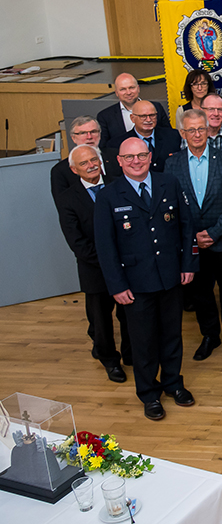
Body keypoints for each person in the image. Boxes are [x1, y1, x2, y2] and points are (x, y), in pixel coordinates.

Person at [94, 137, 197, 420]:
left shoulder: (169, 184)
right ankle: (149, 394)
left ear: (150, 156)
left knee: (172, 335)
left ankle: (174, 383)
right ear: (119, 161)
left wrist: (189, 263)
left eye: (140, 156)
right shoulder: (108, 196)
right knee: (144, 341)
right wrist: (116, 285)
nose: (135, 162)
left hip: (170, 276)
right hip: (135, 283)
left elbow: (187, 227)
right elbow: (105, 247)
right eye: (129, 158)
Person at [165, 109, 222, 361]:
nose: (197, 134)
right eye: (191, 130)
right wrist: (193, 237)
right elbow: (172, 206)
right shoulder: (172, 164)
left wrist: (213, 232)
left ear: (208, 130)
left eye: (201, 128)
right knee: (201, 295)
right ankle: (210, 335)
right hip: (192, 245)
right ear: (183, 133)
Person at [54, 144, 132, 382]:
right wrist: (109, 263)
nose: (91, 166)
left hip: (127, 265)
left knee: (129, 314)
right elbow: (77, 242)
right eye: (84, 163)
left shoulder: (119, 184)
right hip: (94, 270)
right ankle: (109, 360)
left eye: (93, 160)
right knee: (100, 319)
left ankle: (131, 353)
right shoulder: (67, 199)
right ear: (74, 169)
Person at [97, 72, 168, 148]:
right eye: (123, 89)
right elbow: (104, 147)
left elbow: (168, 135)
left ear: (138, 88)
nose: (128, 92)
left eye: (131, 88)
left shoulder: (156, 107)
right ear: (116, 93)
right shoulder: (105, 116)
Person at [52, 116, 112, 201]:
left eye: (93, 132)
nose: (89, 137)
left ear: (100, 134)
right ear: (73, 138)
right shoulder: (60, 170)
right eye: (83, 133)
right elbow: (63, 203)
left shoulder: (116, 156)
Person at [123, 99, 181, 173]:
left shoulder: (173, 136)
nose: (148, 120)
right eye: (143, 116)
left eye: (152, 115)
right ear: (132, 118)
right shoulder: (122, 143)